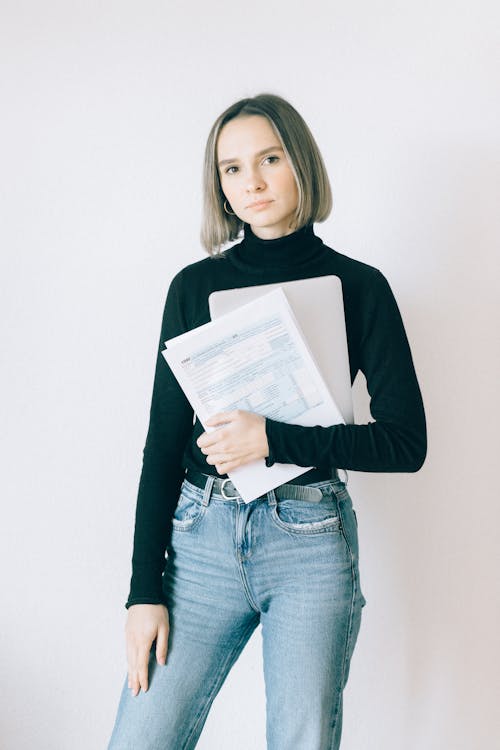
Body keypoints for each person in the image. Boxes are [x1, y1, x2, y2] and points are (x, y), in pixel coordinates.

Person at [107, 93, 427, 750]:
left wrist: (272, 439)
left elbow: (405, 441)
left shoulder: (359, 287)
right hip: (199, 542)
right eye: (231, 169)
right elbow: (162, 448)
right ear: (218, 186)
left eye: (269, 159)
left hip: (310, 540)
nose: (250, 182)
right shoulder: (192, 289)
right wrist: (142, 591)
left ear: (299, 164)